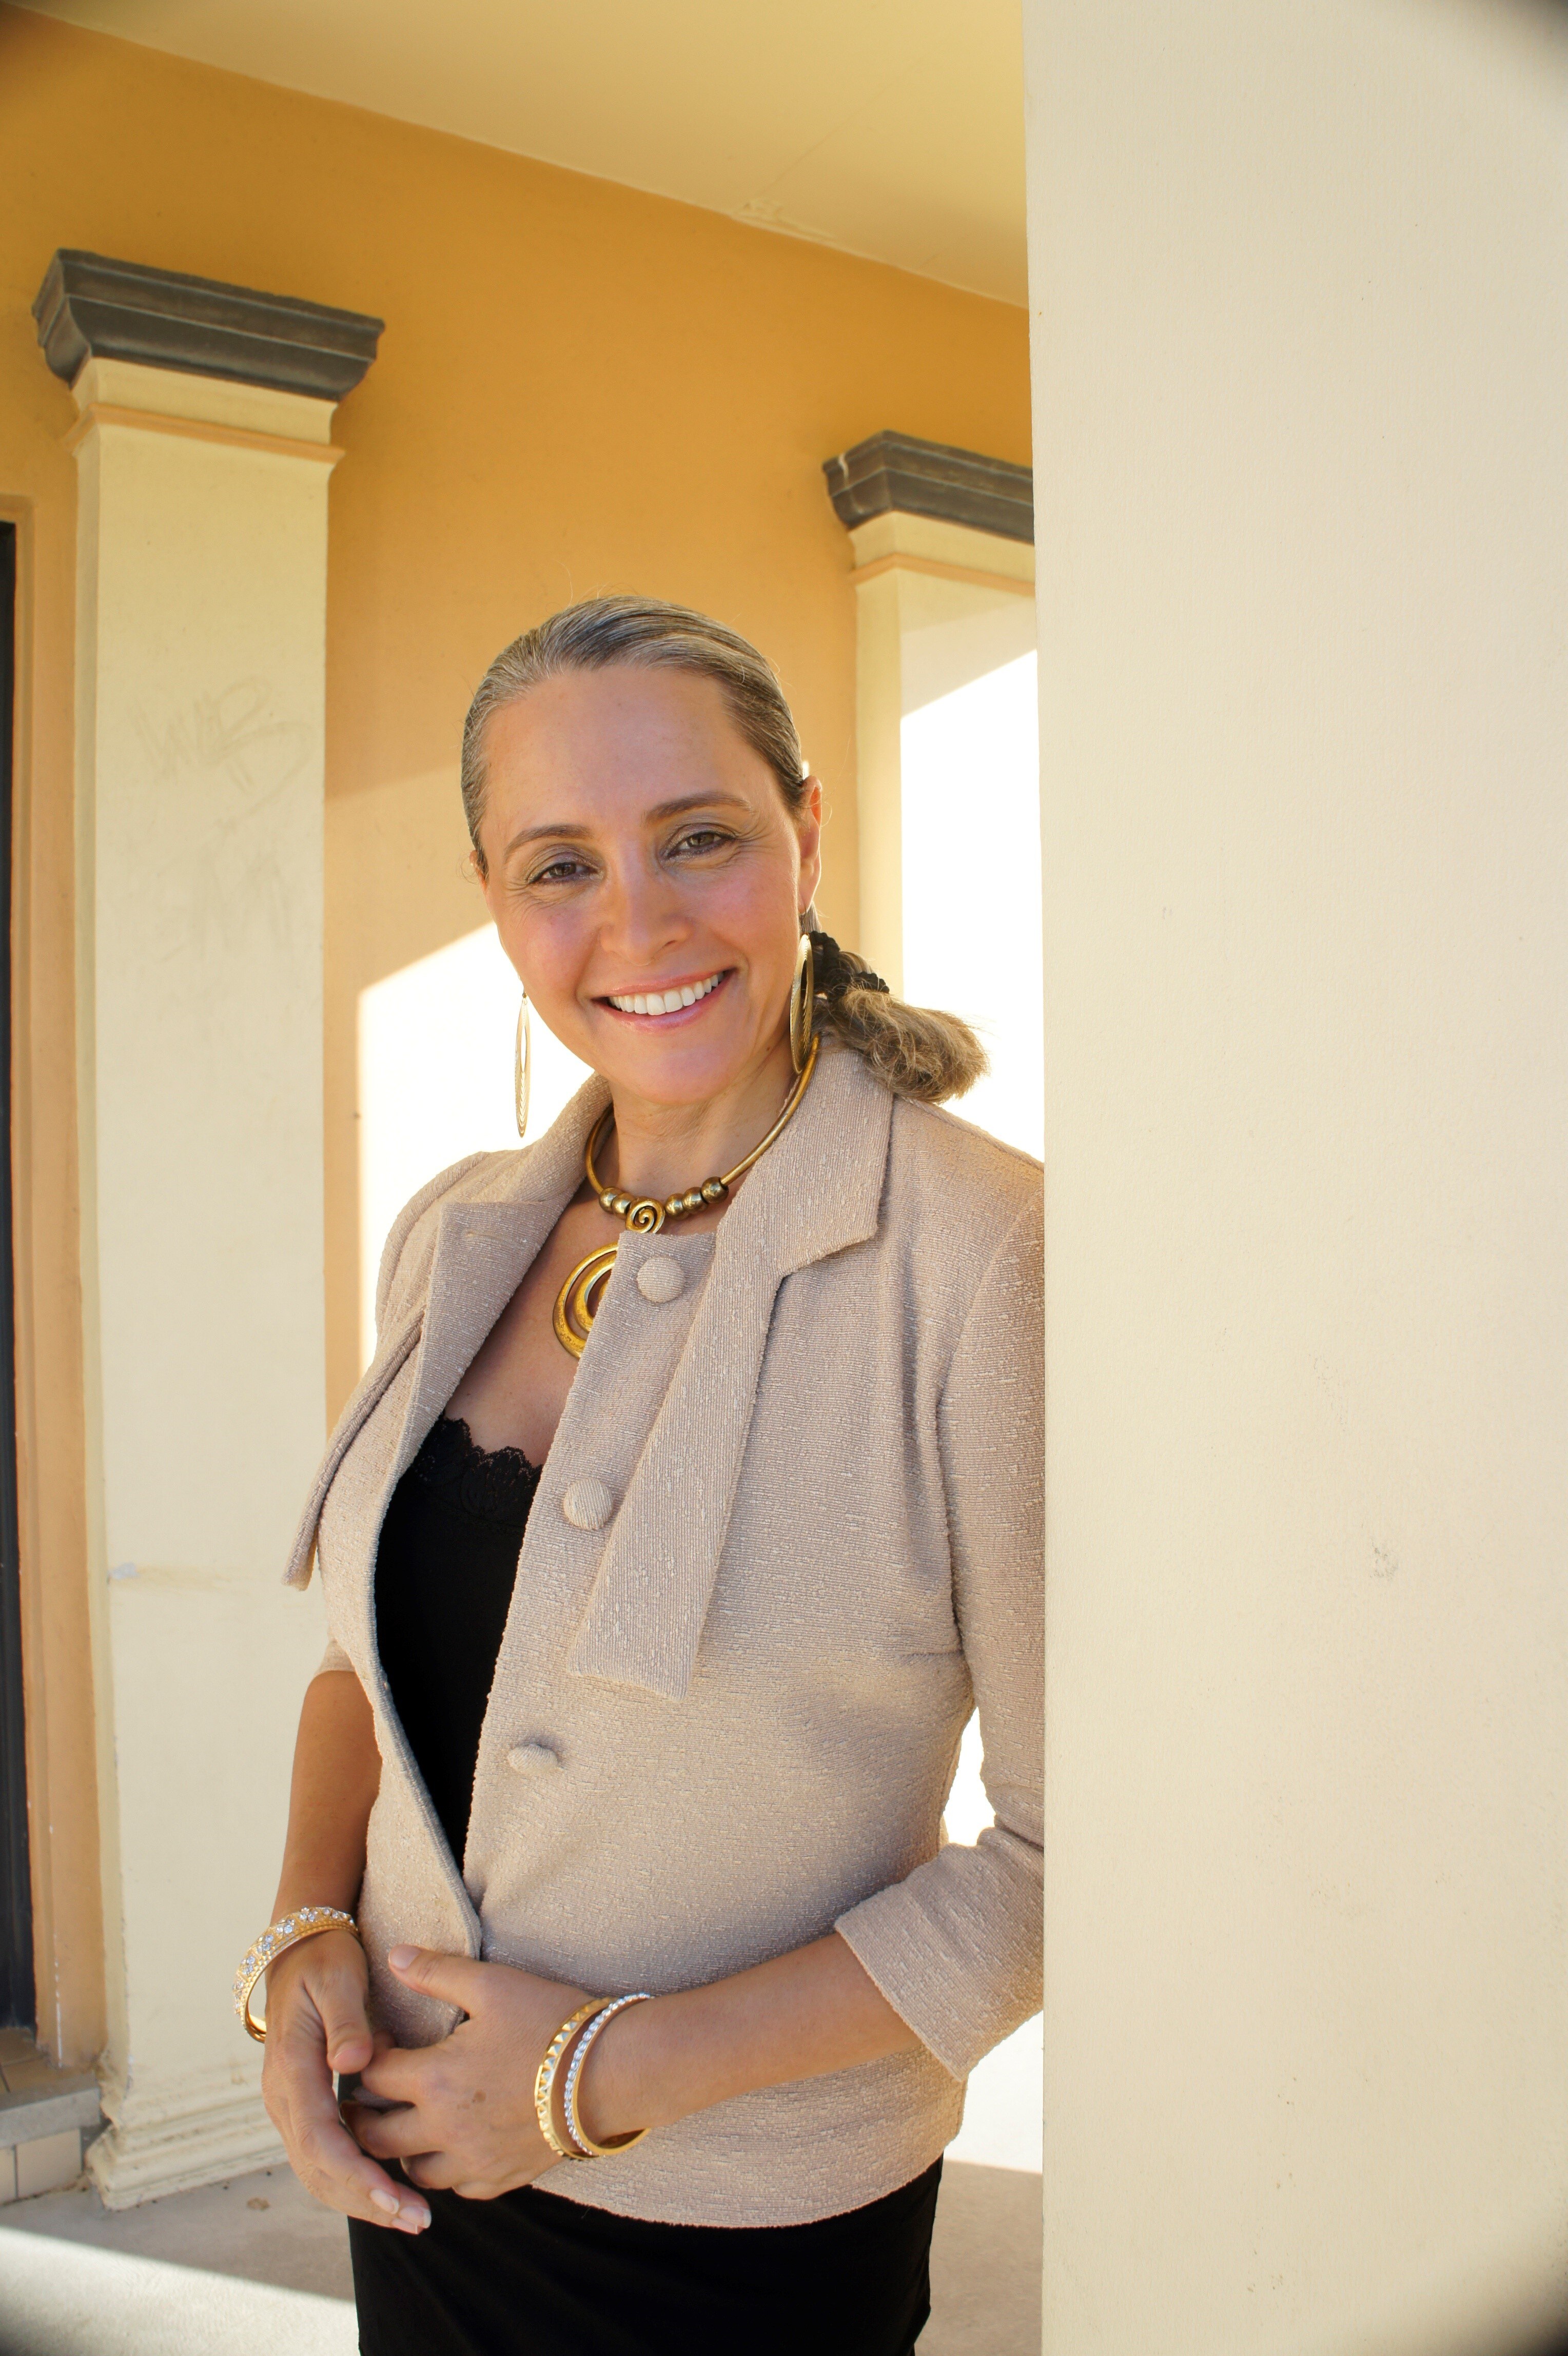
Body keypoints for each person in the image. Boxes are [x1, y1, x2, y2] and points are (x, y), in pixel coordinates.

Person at [246, 595, 1042, 2356]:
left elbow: (1076, 1865)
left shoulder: (986, 1254)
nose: (641, 921)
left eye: (699, 838)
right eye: (558, 866)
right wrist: (306, 1933)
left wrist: (602, 2076)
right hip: (419, 2178)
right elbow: (354, 1675)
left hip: (747, 2236)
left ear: (807, 835)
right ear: (491, 897)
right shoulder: (449, 1232)